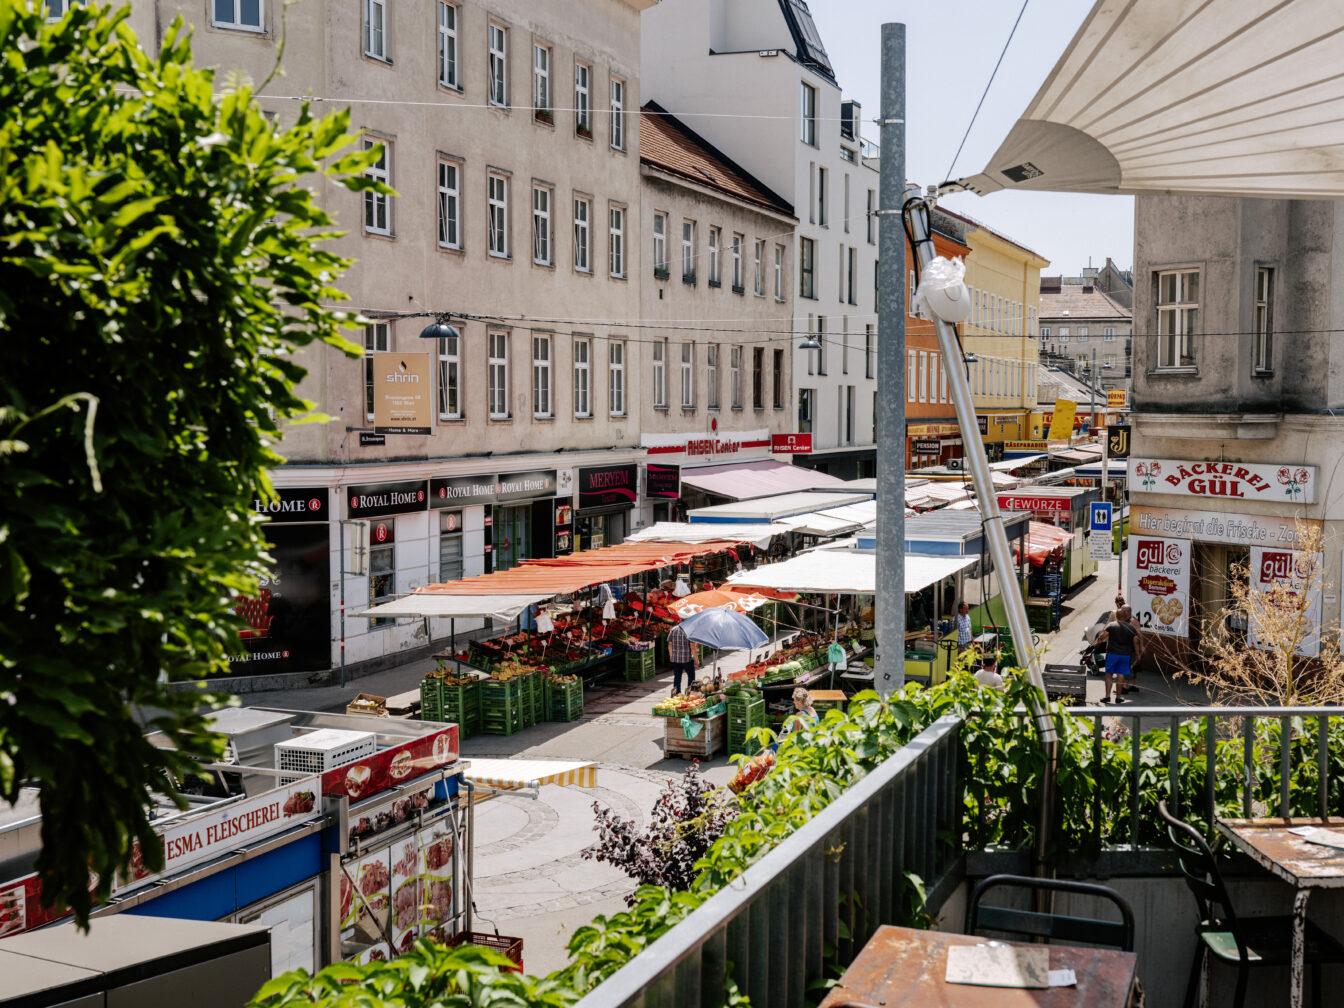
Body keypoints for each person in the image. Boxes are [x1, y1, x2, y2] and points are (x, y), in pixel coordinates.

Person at [1095, 604, 1141, 704]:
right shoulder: (1130, 628)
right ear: (1125, 616)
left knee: (1109, 674)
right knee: (1121, 675)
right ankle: (1118, 697)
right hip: (1125, 655)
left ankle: (1107, 697)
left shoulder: (1111, 625)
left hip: (1112, 653)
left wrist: (1097, 642)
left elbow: (1103, 636)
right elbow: (1136, 641)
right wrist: (1137, 654)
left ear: (1117, 616)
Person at [667, 622, 695, 696]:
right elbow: (692, 646)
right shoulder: (689, 630)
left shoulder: (673, 629)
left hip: (676, 658)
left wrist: (671, 655)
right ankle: (689, 693)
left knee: (677, 676)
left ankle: (677, 693)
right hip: (687, 658)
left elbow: (669, 644)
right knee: (691, 676)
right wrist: (696, 659)